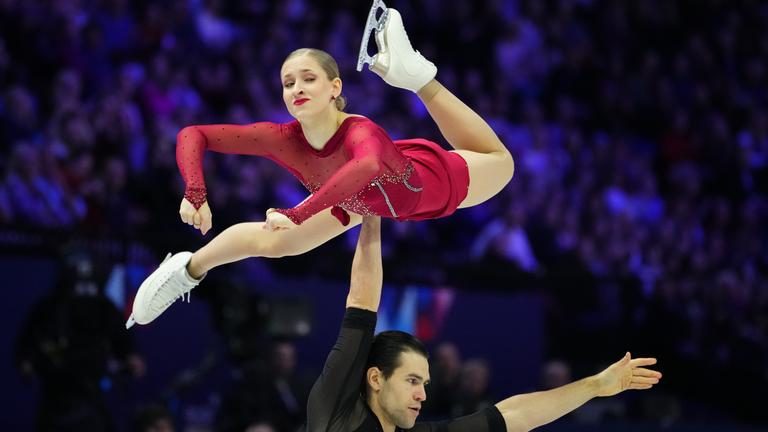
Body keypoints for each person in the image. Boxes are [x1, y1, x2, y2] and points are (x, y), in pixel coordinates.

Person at [127, 3, 514, 327]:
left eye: (308, 79)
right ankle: (186, 270)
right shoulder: (280, 138)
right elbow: (193, 134)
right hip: (357, 199)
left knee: (502, 164)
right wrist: (195, 191)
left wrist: (299, 212)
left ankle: (418, 78)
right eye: (288, 82)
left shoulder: (362, 133)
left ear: (335, 88)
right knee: (277, 243)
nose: (296, 88)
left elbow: (367, 167)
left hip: (427, 181)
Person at [306, 216, 662, 432]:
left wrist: (595, 386)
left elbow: (515, 415)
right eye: (412, 380)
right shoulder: (333, 411)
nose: (422, 395)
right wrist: (372, 215)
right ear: (375, 378)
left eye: (425, 383)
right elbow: (363, 303)